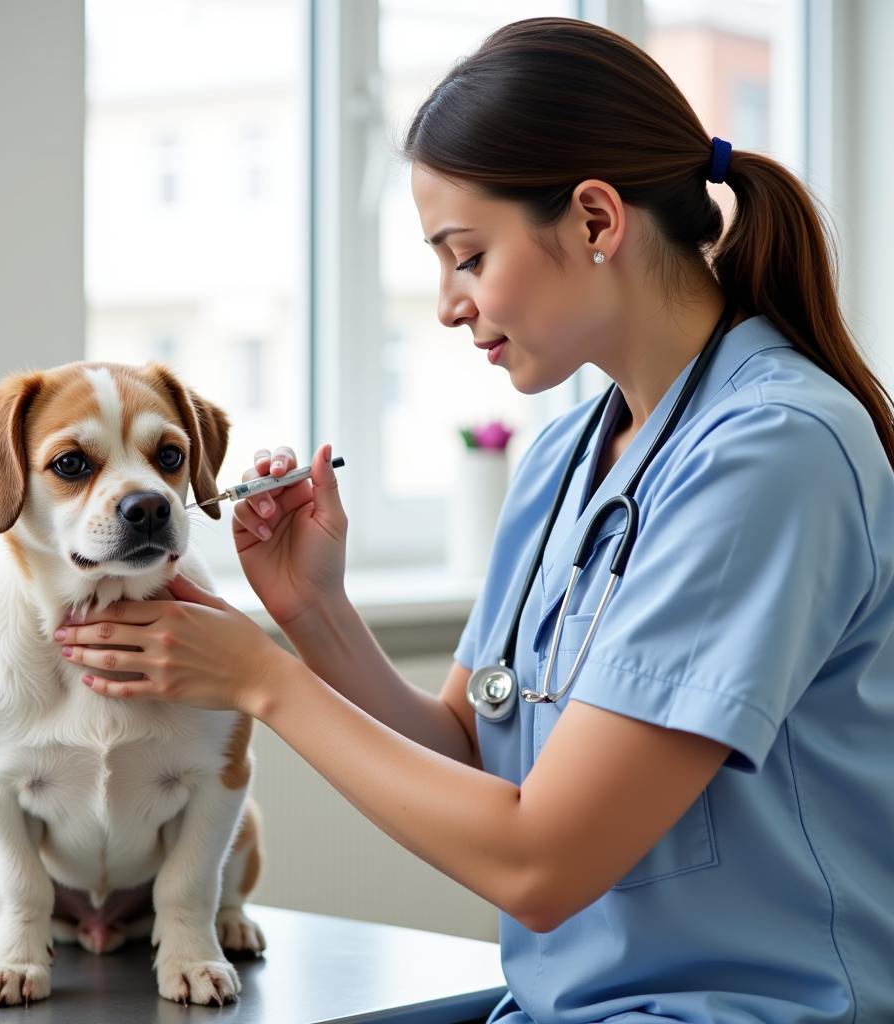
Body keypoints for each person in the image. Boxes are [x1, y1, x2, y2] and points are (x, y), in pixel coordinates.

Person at [54, 18, 894, 1024]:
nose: (449, 304)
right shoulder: (562, 459)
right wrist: (314, 615)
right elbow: (471, 752)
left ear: (594, 220)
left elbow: (537, 859)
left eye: (466, 255)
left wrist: (262, 681)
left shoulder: (770, 452)